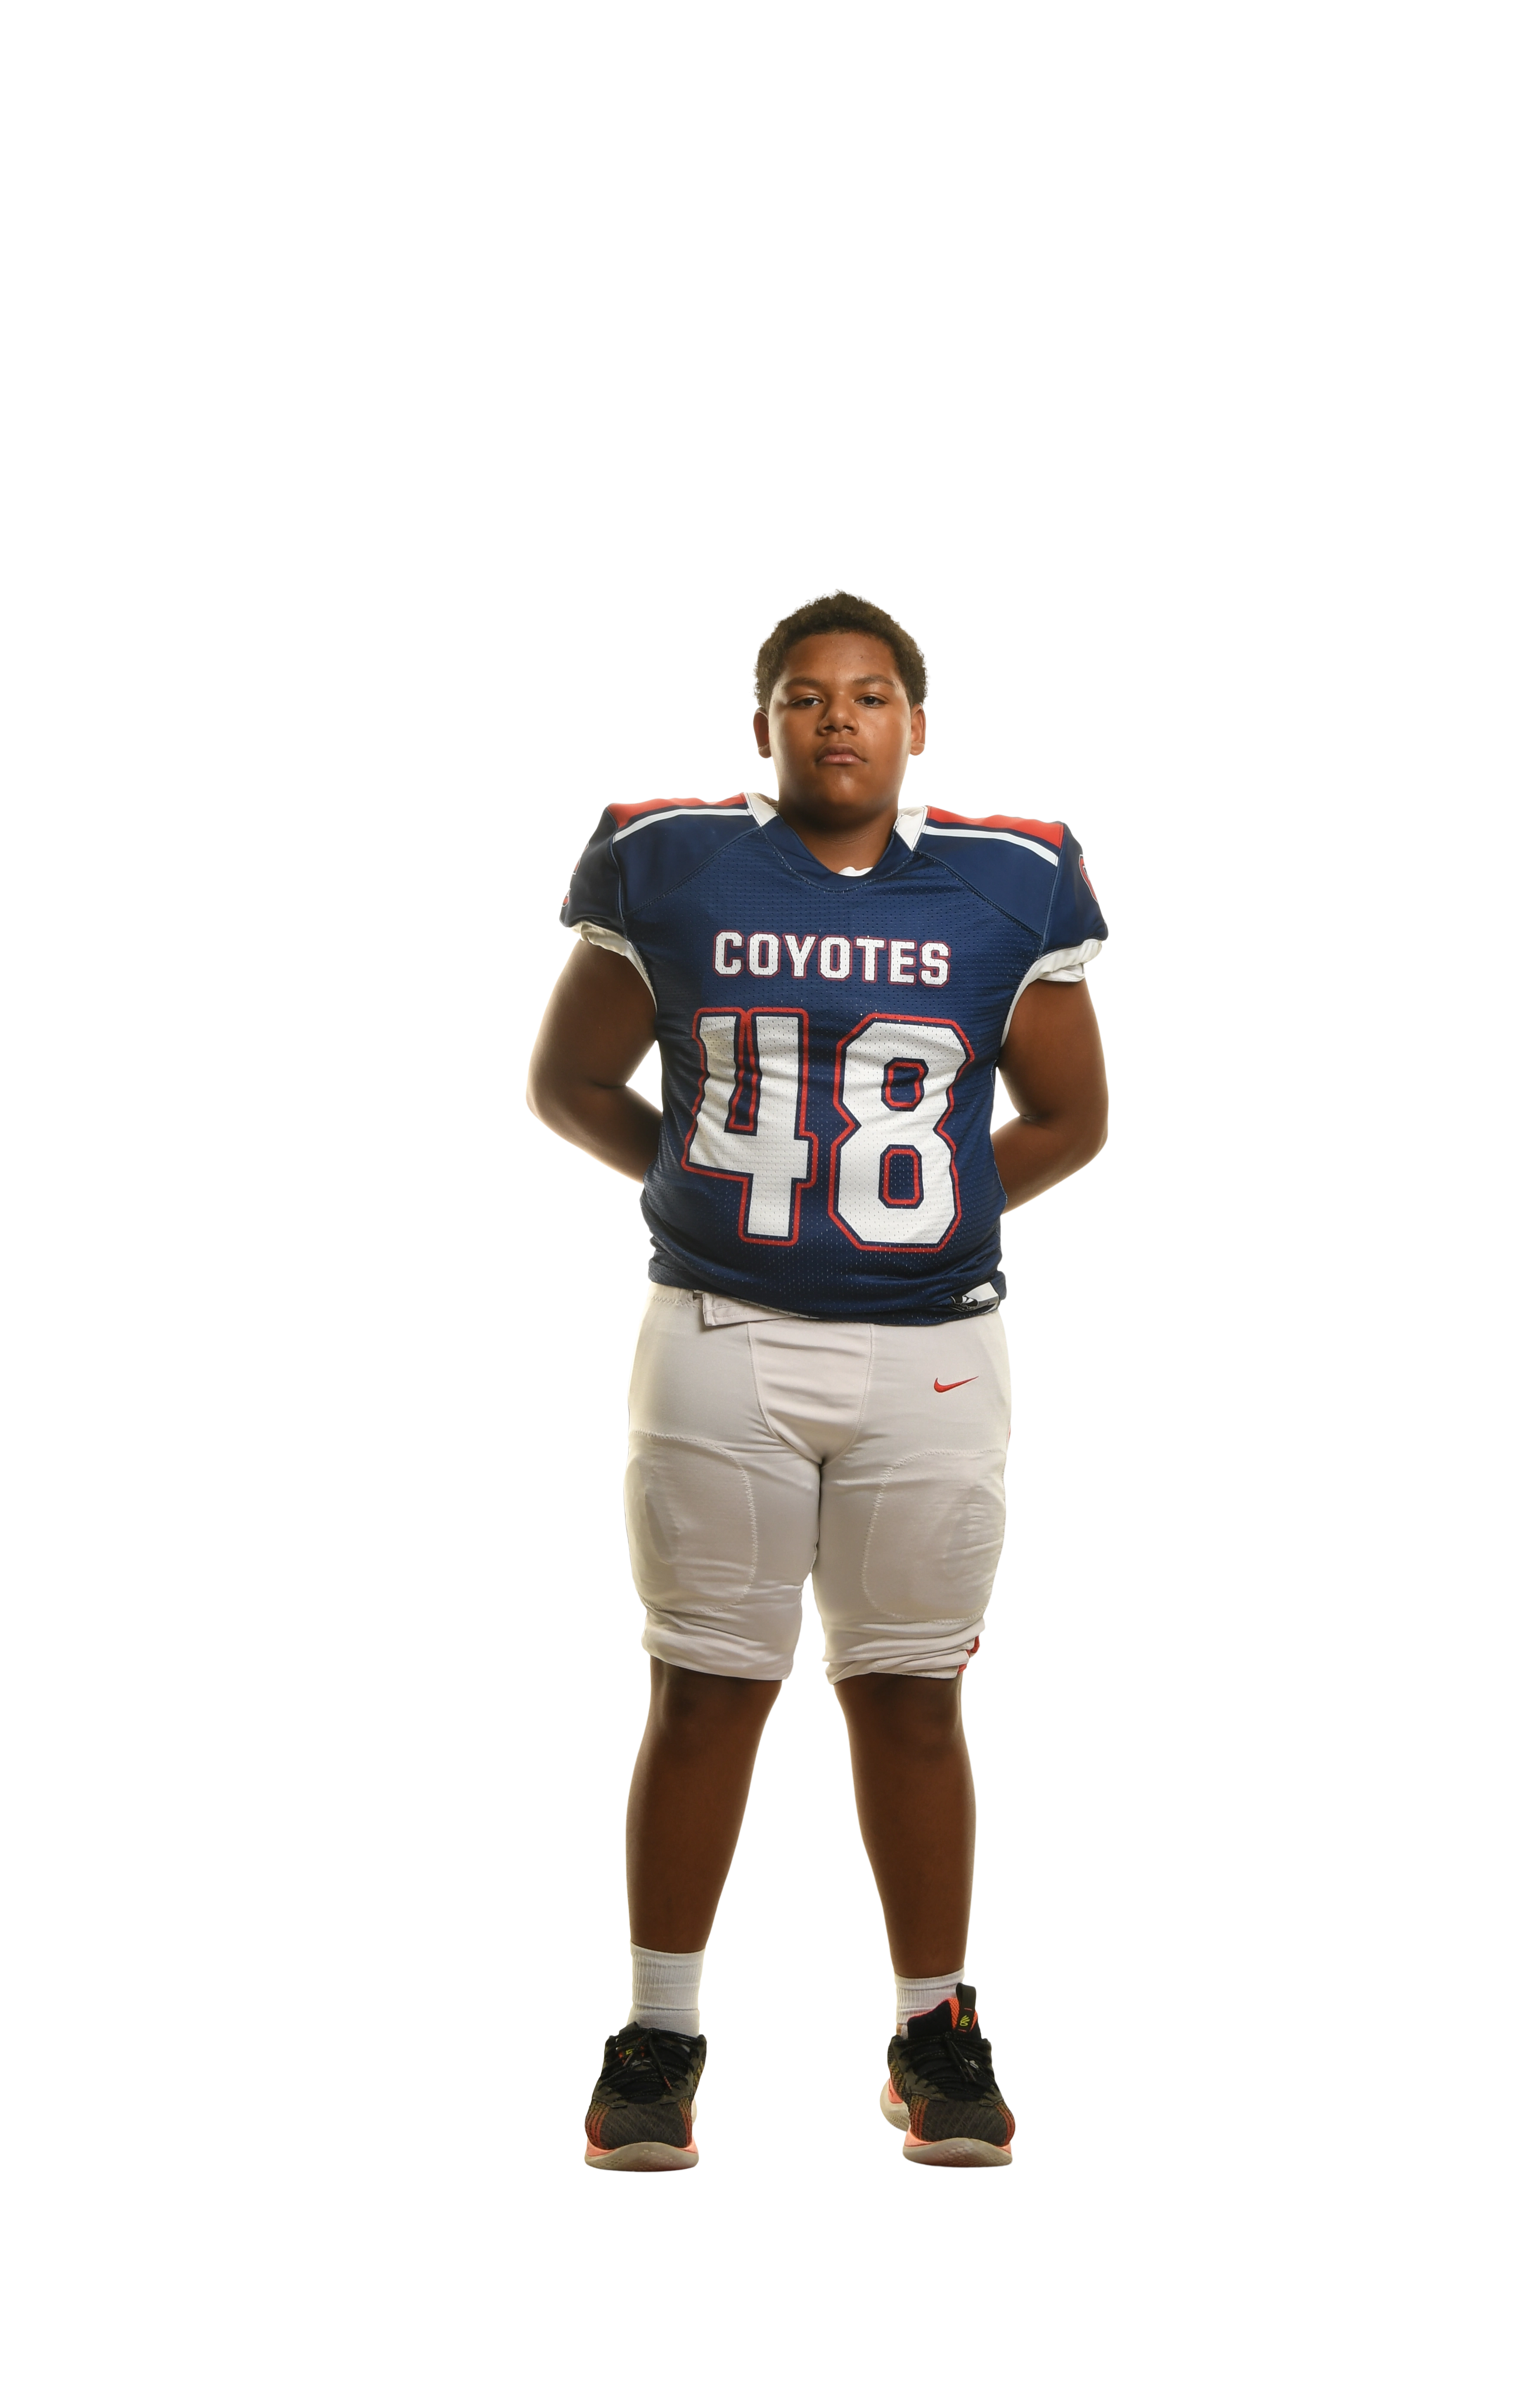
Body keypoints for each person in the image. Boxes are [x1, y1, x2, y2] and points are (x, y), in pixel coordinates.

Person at [527, 589, 1109, 2170]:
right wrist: (723, 1195)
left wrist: (916, 1218)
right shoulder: (673, 860)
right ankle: (659, 2032)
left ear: (916, 723)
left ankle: (932, 2031)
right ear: (765, 724)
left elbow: (1070, 1117)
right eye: (804, 694)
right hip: (722, 1333)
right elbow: (571, 1080)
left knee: (913, 1693)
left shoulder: (1010, 875)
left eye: (867, 693)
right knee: (704, 1689)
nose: (837, 716)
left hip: (934, 1347)